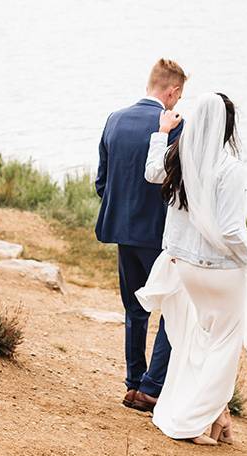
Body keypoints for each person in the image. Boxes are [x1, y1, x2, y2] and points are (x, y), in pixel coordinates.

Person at [137, 92, 247, 446]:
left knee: (199, 340)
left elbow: (150, 171)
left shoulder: (178, 158)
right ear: (228, 128)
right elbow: (231, 230)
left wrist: (161, 133)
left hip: (186, 268)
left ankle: (215, 418)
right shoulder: (230, 169)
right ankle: (190, 423)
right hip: (220, 273)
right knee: (223, 347)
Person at [95, 59, 187, 412]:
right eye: (179, 95)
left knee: (135, 309)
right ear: (172, 91)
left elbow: (102, 182)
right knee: (173, 307)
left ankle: (134, 382)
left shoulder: (114, 119)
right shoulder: (173, 126)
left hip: (121, 231)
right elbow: (177, 183)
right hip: (158, 235)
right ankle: (151, 387)